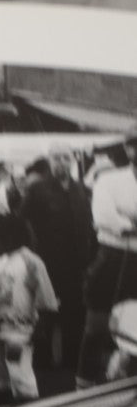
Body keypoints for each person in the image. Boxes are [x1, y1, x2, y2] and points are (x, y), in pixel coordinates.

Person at [20, 148, 94, 372]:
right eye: (57, 158)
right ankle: (42, 362)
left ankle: (72, 361)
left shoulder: (82, 190)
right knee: (46, 312)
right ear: (50, 162)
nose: (62, 162)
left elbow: (91, 226)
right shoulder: (37, 189)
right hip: (47, 263)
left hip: (78, 265)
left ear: (72, 161)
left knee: (76, 313)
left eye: (66, 158)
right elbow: (23, 222)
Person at [0, 213, 58, 399]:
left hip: (18, 332)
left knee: (18, 369)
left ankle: (27, 405)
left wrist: (41, 328)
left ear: (8, 238)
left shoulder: (30, 262)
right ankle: (2, 401)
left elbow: (46, 298)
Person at [77, 135, 137, 386]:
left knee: (132, 330)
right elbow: (104, 217)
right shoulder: (109, 180)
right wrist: (126, 225)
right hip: (112, 257)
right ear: (129, 149)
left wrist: (126, 220)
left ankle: (126, 386)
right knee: (97, 327)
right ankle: (84, 385)